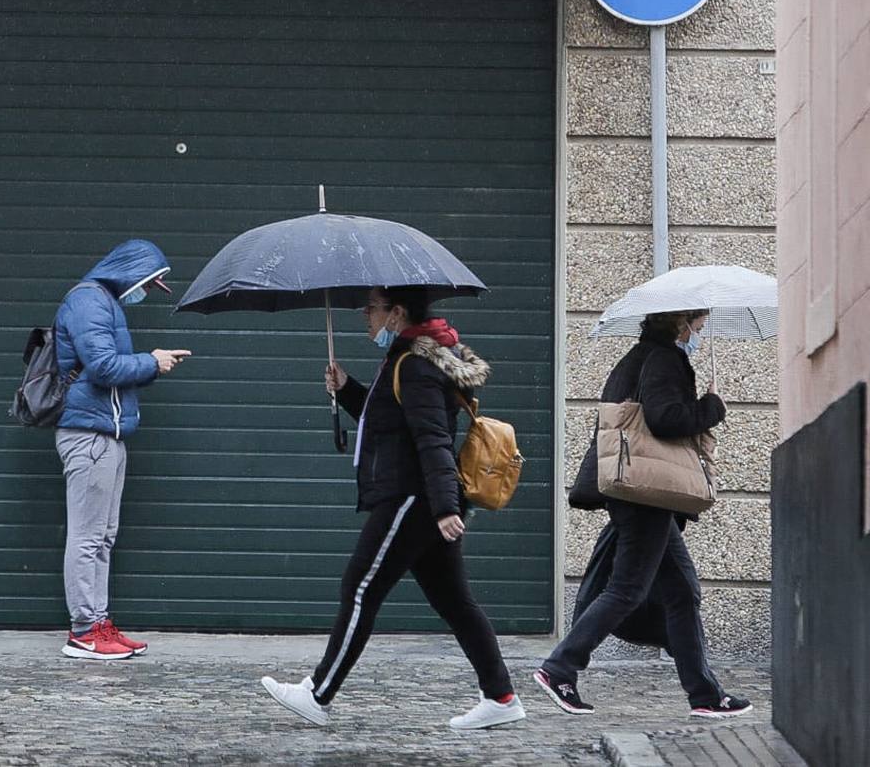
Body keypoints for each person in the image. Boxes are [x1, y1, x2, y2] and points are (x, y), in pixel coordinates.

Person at [260, 286, 524, 730]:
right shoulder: (409, 358)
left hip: (413, 499)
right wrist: (347, 390)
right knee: (456, 602)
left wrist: (443, 507)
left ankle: (317, 693)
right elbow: (389, 419)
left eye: (373, 308)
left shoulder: (416, 364)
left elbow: (432, 437)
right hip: (421, 499)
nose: (366, 316)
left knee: (359, 589)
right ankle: (501, 696)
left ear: (397, 313)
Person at [542, 310, 752, 718]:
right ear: (680, 324)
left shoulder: (635, 358)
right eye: (699, 327)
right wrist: (711, 408)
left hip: (637, 492)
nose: (699, 336)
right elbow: (664, 419)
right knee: (627, 589)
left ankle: (705, 695)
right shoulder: (664, 359)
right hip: (647, 494)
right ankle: (560, 668)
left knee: (681, 591)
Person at [53, 239, 191, 661]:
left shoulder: (104, 303)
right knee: (88, 536)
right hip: (88, 435)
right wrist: (152, 362)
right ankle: (84, 631)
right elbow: (103, 367)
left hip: (106, 435)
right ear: (129, 272)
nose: (145, 293)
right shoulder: (89, 302)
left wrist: (152, 363)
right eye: (147, 285)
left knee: (104, 537)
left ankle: (100, 623)